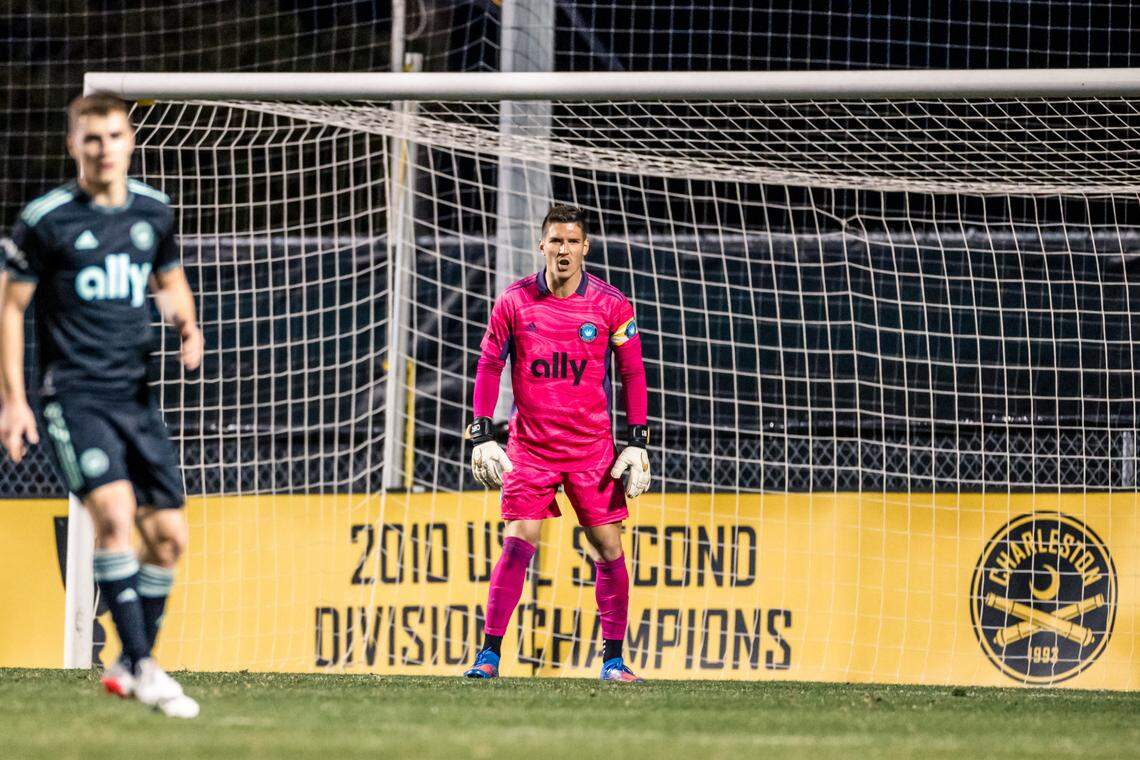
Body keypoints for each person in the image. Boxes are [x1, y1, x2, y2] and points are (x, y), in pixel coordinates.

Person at [0, 93, 203, 718]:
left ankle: (128, 659)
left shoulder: (152, 210)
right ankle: (144, 667)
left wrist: (187, 327)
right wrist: (14, 402)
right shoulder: (46, 219)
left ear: (130, 140)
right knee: (114, 517)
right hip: (75, 396)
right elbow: (11, 307)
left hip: (136, 398)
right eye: (91, 138)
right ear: (74, 146)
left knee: (168, 537)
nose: (104, 148)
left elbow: (169, 281)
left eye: (114, 136)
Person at [464, 204, 651, 682]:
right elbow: (488, 366)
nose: (563, 249)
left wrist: (637, 441)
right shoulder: (514, 301)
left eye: (572, 241)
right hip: (531, 448)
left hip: (592, 450)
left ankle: (613, 660)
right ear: (541, 245)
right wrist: (481, 431)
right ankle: (488, 655)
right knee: (518, 538)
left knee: (608, 546)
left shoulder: (612, 305)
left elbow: (632, 372)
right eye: (556, 240)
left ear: (585, 248)